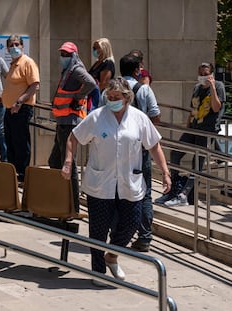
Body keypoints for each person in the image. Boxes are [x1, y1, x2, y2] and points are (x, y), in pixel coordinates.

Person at [61, 78, 171, 285]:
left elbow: (154, 146)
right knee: (98, 230)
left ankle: (111, 256)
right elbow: (74, 137)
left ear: (127, 98)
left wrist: (165, 172)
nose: (112, 101)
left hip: (130, 183)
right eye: (109, 97)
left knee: (132, 223)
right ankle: (98, 271)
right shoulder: (97, 117)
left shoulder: (139, 118)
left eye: (116, 98)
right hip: (100, 183)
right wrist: (68, 161)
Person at [156, 62, 226, 206]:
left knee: (197, 164)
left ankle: (184, 195)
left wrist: (212, 87)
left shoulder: (218, 86)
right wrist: (187, 128)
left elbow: (216, 107)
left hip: (207, 130)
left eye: (206, 73)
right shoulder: (197, 88)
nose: (203, 76)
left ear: (211, 74)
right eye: (200, 73)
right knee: (176, 153)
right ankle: (174, 188)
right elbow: (193, 110)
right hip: (193, 128)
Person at [49, 42, 96, 213]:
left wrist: (78, 97)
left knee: (68, 164)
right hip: (63, 121)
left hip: (69, 122)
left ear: (74, 55)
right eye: (62, 53)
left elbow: (91, 83)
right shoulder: (68, 70)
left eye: (67, 54)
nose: (63, 57)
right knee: (54, 161)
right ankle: (60, 198)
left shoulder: (75, 69)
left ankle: (72, 206)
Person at [120, 54, 161, 252]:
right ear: (137, 70)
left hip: (118, 149)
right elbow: (155, 115)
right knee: (144, 192)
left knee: (117, 190)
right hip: (141, 149)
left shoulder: (111, 91)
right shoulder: (144, 89)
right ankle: (144, 236)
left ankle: (117, 233)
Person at [1, 35, 40, 182]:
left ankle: (22, 174)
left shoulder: (27, 62)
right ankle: (13, 172)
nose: (14, 47)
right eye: (11, 45)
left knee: (20, 141)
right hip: (9, 108)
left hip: (21, 108)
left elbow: (35, 85)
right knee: (10, 141)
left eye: (17, 44)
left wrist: (19, 102)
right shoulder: (13, 64)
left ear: (22, 46)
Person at [88, 38, 115, 111]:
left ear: (104, 49)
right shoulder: (97, 63)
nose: (94, 50)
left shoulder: (108, 63)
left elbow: (103, 84)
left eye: (96, 48)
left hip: (98, 98)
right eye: (93, 48)